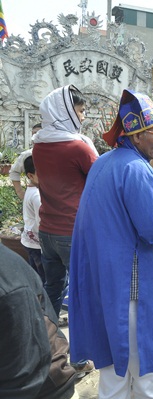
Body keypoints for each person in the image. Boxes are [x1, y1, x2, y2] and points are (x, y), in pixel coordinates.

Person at [69, 89, 153, 396]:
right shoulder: (136, 169)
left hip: (105, 283)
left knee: (114, 376)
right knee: (149, 375)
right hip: (131, 289)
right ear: (137, 135)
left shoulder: (104, 163)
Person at [31, 85, 98, 319]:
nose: (82, 116)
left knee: (53, 287)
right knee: (84, 292)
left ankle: (47, 341)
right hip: (72, 231)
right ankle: (82, 353)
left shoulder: (38, 145)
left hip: (46, 231)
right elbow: (99, 180)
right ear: (65, 112)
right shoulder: (78, 146)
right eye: (79, 111)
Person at [0, 243, 78, 399]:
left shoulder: (10, 289)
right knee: (56, 285)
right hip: (47, 239)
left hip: (43, 387)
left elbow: (23, 380)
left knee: (60, 285)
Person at [20, 155, 44, 283]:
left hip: (29, 242)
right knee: (44, 280)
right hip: (37, 245)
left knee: (35, 278)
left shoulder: (31, 190)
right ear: (30, 176)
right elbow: (41, 223)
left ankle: (35, 300)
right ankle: (41, 302)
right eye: (42, 173)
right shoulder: (37, 195)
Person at [9, 123, 41, 200]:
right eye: (33, 134)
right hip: (35, 195)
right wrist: (20, 192)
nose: (34, 137)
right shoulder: (28, 154)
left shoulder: (57, 153)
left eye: (38, 133)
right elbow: (14, 172)